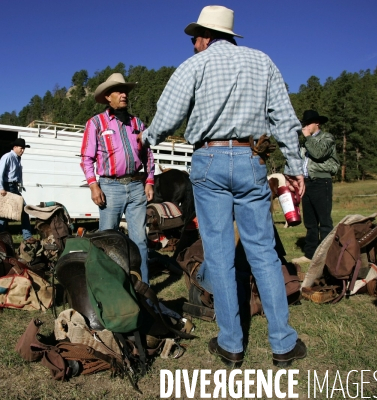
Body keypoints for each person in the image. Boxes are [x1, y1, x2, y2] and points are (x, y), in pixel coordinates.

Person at [139, 5, 307, 367]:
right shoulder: (263, 62)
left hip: (209, 160)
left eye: (193, 38)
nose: (192, 44)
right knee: (263, 251)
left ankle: (231, 344)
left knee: (219, 254)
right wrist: (296, 168)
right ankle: (282, 343)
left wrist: (147, 136)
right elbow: (285, 118)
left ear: (205, 36)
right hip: (250, 159)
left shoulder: (194, 66)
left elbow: (167, 115)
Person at [80, 73, 155, 283]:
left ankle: (143, 288)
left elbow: (148, 154)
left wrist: (149, 181)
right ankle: (109, 286)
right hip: (110, 187)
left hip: (136, 186)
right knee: (107, 239)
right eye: (119, 91)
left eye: (125, 91)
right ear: (107, 97)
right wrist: (93, 185)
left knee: (140, 240)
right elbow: (86, 158)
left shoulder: (137, 123)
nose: (124, 95)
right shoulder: (96, 123)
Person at [292, 110, 339, 264]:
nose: (305, 127)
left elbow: (318, 153)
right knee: (310, 222)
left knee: (324, 221)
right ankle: (310, 254)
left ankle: (325, 255)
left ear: (316, 123)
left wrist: (307, 138)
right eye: (303, 124)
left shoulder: (327, 138)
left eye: (307, 124)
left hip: (321, 182)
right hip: (307, 183)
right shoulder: (306, 142)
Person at [0, 138, 32, 239]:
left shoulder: (17, 158)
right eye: (21, 148)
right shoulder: (8, 157)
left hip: (13, 187)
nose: (23, 150)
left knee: (6, 213)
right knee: (15, 212)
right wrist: (1, 188)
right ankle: (27, 236)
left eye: (24, 148)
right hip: (8, 187)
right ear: (15, 147)